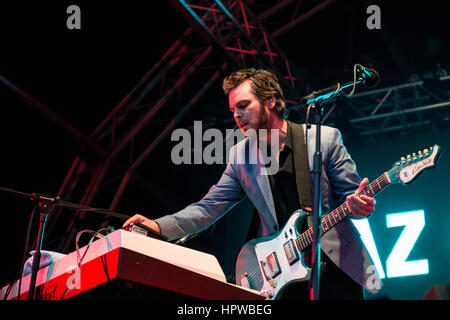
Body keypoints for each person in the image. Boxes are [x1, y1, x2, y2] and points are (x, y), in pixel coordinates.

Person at [123, 68, 379, 299]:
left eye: (244, 105)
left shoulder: (324, 140)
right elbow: (206, 209)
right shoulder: (240, 157)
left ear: (271, 101)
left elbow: (354, 199)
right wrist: (157, 226)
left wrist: (360, 205)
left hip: (335, 268)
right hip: (283, 275)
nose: (237, 115)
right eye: (233, 110)